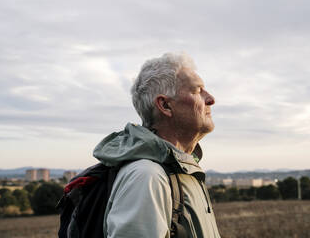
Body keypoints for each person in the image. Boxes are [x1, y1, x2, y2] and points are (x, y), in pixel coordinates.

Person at [93, 53, 221, 237]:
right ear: (165, 105)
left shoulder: (183, 170)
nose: (211, 99)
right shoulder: (147, 177)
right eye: (197, 91)